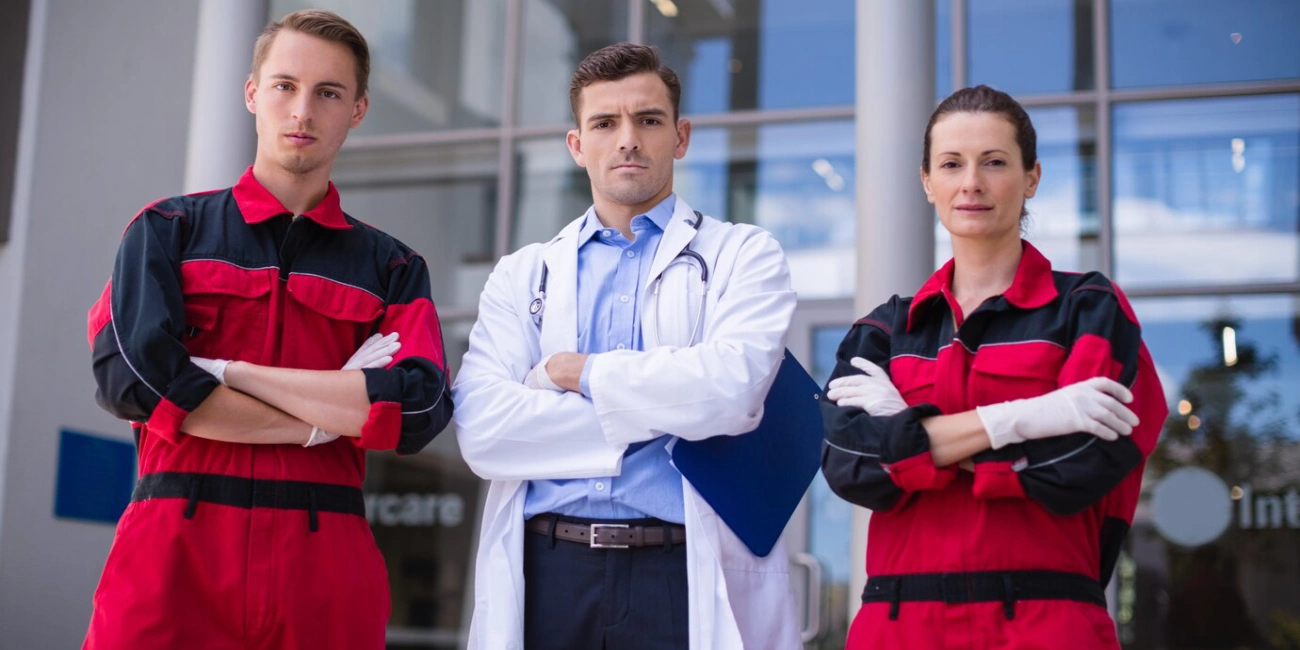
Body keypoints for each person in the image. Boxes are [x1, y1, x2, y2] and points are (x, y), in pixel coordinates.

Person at [83, 10, 453, 650]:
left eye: (328, 93)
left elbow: (419, 404)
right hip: (174, 555)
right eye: (284, 85)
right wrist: (331, 410)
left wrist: (228, 373)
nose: (302, 111)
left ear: (358, 109)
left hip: (325, 570)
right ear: (253, 93)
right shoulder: (167, 234)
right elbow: (133, 379)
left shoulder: (391, 268)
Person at [452, 43, 801, 650]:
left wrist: (577, 373)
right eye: (605, 123)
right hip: (548, 573)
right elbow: (483, 431)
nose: (627, 140)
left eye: (648, 120)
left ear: (681, 136)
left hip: (677, 572)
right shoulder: (522, 273)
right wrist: (665, 414)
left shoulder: (743, 254)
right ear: (576, 144)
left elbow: (732, 393)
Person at [820, 85, 1168, 649]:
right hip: (896, 627)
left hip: (1046, 624)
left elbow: (1078, 464)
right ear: (927, 181)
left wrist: (908, 435)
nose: (972, 183)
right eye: (952, 164)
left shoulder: (1089, 310)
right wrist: (1030, 417)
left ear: (1032, 178)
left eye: (995, 162)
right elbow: (850, 465)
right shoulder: (884, 331)